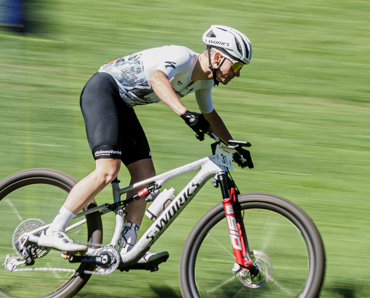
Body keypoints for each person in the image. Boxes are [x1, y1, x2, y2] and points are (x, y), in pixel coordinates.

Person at [37, 25, 253, 254]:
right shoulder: (183, 57)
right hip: (103, 91)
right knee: (108, 171)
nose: (237, 73)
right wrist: (185, 113)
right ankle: (53, 230)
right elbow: (157, 79)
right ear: (218, 57)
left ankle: (127, 248)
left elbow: (210, 115)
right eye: (236, 66)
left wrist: (233, 146)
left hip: (122, 105)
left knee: (145, 176)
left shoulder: (204, 81)